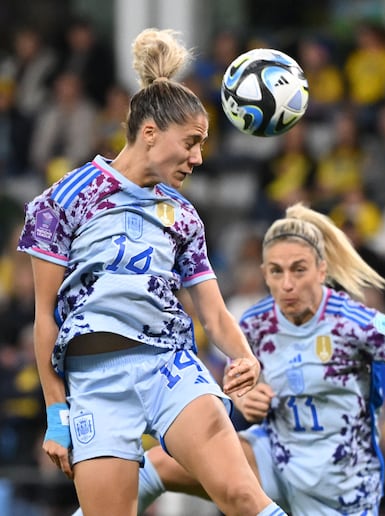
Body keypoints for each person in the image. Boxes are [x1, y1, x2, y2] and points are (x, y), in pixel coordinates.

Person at [17, 28, 285, 516]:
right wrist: (57, 414)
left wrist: (244, 356)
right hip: (94, 384)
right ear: (149, 133)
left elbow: (214, 312)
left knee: (245, 497)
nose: (198, 158)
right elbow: (44, 319)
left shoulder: (183, 215)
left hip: (169, 368)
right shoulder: (62, 200)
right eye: (191, 143)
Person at [102, 202, 385, 516]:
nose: (287, 284)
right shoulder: (255, 324)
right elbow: (237, 380)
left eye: (299, 269)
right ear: (265, 273)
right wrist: (244, 396)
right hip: (276, 458)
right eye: (277, 271)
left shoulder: (354, 323)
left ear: (322, 270)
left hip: (340, 486)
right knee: (157, 464)